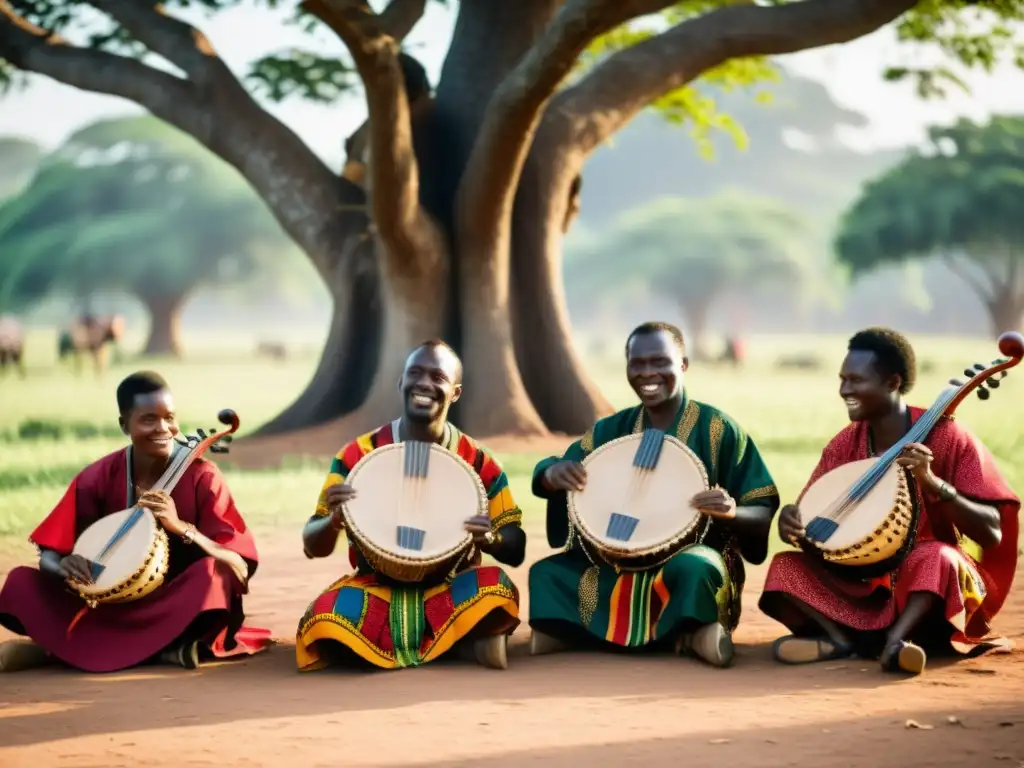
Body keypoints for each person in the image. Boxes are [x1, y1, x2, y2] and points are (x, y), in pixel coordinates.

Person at [759, 327, 1020, 675]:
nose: (844, 390)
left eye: (855, 380)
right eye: (842, 380)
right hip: (861, 583)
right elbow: (817, 530)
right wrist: (792, 524)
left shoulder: (948, 436)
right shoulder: (845, 444)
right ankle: (842, 641)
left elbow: (992, 533)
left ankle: (895, 644)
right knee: (784, 568)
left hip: (926, 591)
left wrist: (934, 483)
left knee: (937, 557)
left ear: (893, 383)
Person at [528, 322, 779, 667]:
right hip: (613, 566)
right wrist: (551, 474)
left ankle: (691, 630)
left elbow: (762, 507)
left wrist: (733, 513)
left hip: (681, 568)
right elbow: (557, 465)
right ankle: (681, 636)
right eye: (638, 363)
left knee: (698, 568)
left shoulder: (719, 430)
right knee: (547, 573)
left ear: (683, 365)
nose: (648, 373)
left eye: (660, 362)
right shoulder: (611, 430)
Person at [0, 371, 273, 673]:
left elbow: (238, 563)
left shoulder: (202, 477)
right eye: (148, 419)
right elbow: (50, 553)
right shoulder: (97, 477)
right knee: (20, 583)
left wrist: (181, 527)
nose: (164, 428)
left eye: (169, 417)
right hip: (108, 603)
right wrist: (62, 567)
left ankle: (60, 649)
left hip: (172, 603)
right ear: (124, 425)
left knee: (212, 578)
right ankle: (163, 649)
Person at [296, 341, 526, 672]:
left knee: (496, 590)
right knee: (326, 615)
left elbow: (515, 547)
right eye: (415, 373)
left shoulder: (478, 461)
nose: (424, 384)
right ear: (400, 382)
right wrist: (333, 521)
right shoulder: (356, 456)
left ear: (455, 392)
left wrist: (490, 539)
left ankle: (377, 650)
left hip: (450, 588)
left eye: (437, 376)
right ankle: (459, 644)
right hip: (375, 589)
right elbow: (312, 544)